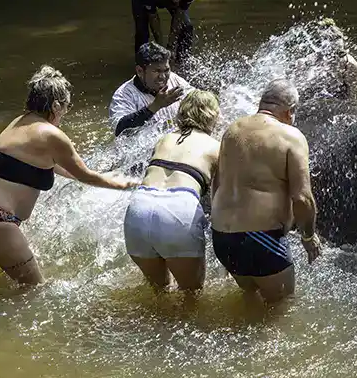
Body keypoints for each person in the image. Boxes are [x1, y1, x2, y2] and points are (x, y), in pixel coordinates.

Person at [0, 66, 137, 285]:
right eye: (66, 106)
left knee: (23, 276)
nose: (65, 112)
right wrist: (122, 185)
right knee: (35, 290)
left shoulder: (19, 122)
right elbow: (85, 175)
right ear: (55, 105)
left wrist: (100, 176)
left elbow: (50, 166)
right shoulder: (51, 135)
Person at [210, 78, 321, 304]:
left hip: (221, 237)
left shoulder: (232, 130)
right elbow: (302, 198)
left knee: (249, 301)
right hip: (261, 239)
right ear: (290, 112)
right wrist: (308, 236)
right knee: (280, 312)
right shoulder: (291, 136)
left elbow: (217, 183)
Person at [123, 90, 221, 292]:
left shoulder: (164, 140)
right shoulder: (216, 147)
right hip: (179, 209)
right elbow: (219, 199)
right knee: (191, 294)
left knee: (158, 292)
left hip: (139, 207)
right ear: (212, 115)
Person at [109, 42, 194, 137]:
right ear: (140, 71)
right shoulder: (124, 95)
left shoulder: (174, 80)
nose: (162, 77)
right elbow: (119, 130)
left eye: (166, 70)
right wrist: (155, 106)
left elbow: (196, 99)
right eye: (156, 71)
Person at [129, 0, 199, 63]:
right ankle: (141, 65)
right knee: (142, 30)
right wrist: (161, 48)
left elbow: (178, 16)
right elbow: (153, 18)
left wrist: (171, 46)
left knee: (186, 26)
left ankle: (182, 62)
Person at [295, 18, 357, 102]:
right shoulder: (309, 62)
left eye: (339, 54)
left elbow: (355, 99)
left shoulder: (351, 67)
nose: (335, 60)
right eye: (330, 56)